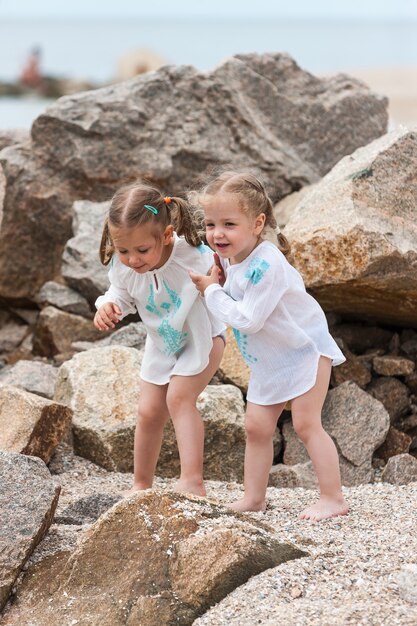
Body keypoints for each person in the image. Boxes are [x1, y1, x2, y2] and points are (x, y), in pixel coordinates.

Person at [189, 172, 349, 521]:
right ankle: (254, 497)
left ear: (257, 223)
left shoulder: (267, 262)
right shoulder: (231, 259)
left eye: (229, 224)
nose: (217, 233)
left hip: (304, 350)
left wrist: (211, 291)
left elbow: (248, 320)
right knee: (257, 427)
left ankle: (333, 497)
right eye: (210, 224)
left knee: (307, 425)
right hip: (270, 360)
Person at [94, 181, 225, 497]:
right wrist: (108, 305)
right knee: (149, 411)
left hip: (203, 336)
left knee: (179, 398)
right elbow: (120, 293)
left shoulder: (190, 256)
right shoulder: (124, 265)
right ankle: (141, 484)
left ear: (167, 235)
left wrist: (215, 283)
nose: (132, 260)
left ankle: (192, 481)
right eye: (123, 250)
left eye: (141, 250)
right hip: (162, 342)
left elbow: (226, 270)